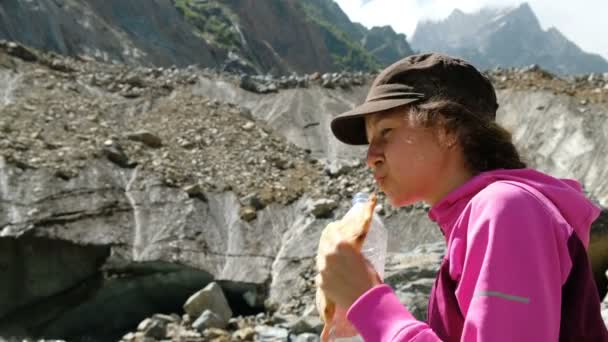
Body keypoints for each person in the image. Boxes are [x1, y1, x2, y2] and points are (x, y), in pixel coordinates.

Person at [317, 53, 608, 341]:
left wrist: (371, 305)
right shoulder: (488, 215)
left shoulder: (506, 209)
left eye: (386, 131)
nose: (371, 157)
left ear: (447, 129)